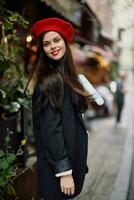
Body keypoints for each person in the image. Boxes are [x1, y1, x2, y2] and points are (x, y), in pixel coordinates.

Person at [31, 18, 89, 200]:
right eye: (46, 44)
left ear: (65, 41)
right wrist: (64, 171)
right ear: (43, 50)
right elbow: (51, 131)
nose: (52, 46)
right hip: (59, 171)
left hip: (71, 164)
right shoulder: (49, 82)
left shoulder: (66, 77)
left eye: (56, 40)